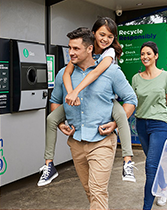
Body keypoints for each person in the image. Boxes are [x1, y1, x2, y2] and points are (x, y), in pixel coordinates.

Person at [38, 17, 136, 187]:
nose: (105, 39)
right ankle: (48, 165)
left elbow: (96, 73)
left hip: (105, 105)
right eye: (102, 34)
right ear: (93, 34)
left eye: (110, 37)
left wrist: (76, 91)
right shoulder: (76, 56)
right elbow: (66, 75)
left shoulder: (108, 55)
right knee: (51, 119)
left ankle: (127, 161)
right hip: (77, 137)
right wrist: (70, 96)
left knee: (120, 115)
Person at [132, 41, 167, 210]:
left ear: (156, 56)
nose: (145, 57)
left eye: (148, 54)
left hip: (160, 124)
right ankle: (164, 188)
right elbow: (132, 102)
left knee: (150, 165)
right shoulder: (136, 78)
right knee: (154, 161)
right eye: (142, 54)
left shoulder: (166, 76)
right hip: (141, 124)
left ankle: (146, 207)